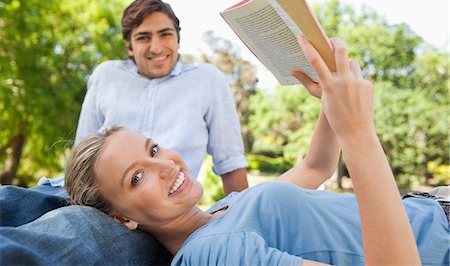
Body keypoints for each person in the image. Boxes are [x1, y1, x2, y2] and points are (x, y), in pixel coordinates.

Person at [65, 36, 449, 266]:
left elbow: (316, 167)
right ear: (122, 219)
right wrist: (359, 132)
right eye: (136, 177)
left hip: (433, 206)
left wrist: (329, 98)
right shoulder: (212, 254)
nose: (164, 165)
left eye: (153, 148)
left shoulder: (220, 210)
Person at [74, 0, 248, 193]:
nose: (156, 48)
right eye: (143, 37)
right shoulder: (106, 75)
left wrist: (240, 219)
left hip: (169, 210)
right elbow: (81, 157)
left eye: (165, 34)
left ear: (178, 40)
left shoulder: (208, 80)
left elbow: (231, 162)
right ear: (129, 46)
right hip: (104, 209)